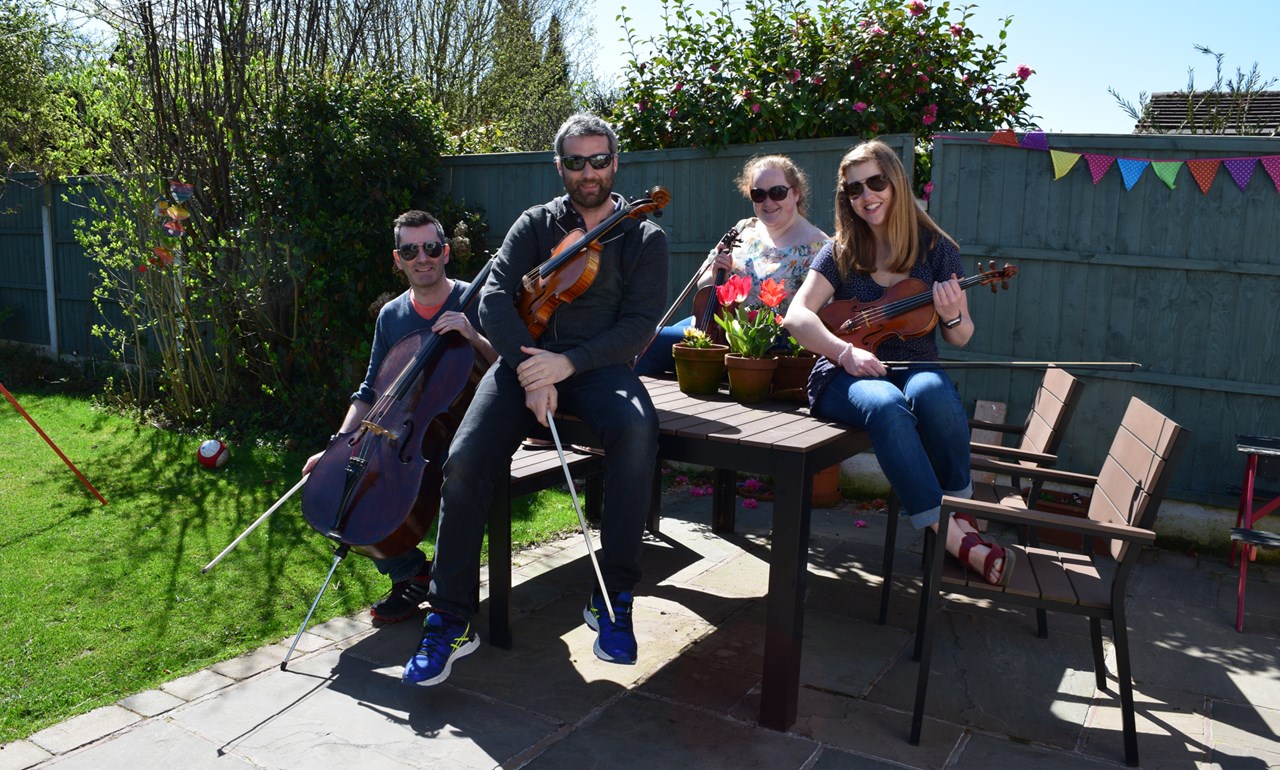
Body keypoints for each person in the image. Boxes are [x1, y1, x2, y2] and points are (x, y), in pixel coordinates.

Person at [402, 113, 669, 686]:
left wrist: (568, 363)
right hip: (523, 360)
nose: (588, 171)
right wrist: (531, 366)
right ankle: (450, 617)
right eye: (575, 161)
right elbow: (494, 295)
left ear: (615, 163)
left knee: (636, 430)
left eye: (599, 160)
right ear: (560, 167)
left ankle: (612, 595)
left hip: (596, 365)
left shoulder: (643, 233)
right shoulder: (536, 223)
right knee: (465, 461)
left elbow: (641, 323)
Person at [783, 138, 1014, 586]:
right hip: (844, 373)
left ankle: (956, 513)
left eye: (876, 183)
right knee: (887, 403)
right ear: (845, 197)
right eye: (855, 189)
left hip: (917, 364)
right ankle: (955, 536)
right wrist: (845, 351)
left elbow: (961, 335)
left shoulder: (937, 250)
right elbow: (797, 315)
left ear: (896, 182)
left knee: (933, 393)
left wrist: (949, 313)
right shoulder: (841, 250)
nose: (867, 196)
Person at [302, 209, 496, 624]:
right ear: (398, 259)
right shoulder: (392, 315)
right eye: (410, 250)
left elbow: (510, 367)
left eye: (429, 247)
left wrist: (474, 336)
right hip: (408, 436)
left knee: (454, 480)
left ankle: (449, 596)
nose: (421, 257)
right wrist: (336, 447)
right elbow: (371, 390)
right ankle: (408, 573)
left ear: (445, 252)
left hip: (473, 426)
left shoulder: (476, 299)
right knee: (346, 488)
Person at [634, 154, 829, 376]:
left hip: (766, 345)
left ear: (796, 193)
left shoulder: (818, 247)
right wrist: (716, 272)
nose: (767, 202)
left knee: (653, 348)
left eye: (777, 192)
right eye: (758, 194)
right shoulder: (744, 228)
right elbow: (703, 284)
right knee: (643, 342)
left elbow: (822, 315)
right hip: (718, 327)